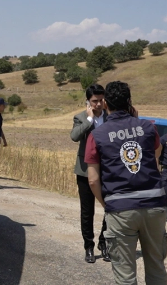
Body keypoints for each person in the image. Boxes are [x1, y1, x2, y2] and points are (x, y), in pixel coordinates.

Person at [86, 81, 167, 285]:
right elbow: (155, 155)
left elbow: (92, 179)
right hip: (154, 204)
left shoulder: (97, 135)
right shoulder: (147, 127)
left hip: (121, 206)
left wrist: (106, 203)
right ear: (131, 101)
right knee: (155, 262)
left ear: (106, 104)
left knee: (124, 267)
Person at [70, 84, 109, 263]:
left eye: (101, 100)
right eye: (95, 101)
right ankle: (89, 246)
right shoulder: (80, 117)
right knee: (88, 211)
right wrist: (89, 119)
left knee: (110, 208)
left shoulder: (111, 118)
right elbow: (74, 136)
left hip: (107, 170)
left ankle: (104, 242)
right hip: (85, 171)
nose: (99, 104)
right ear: (88, 101)